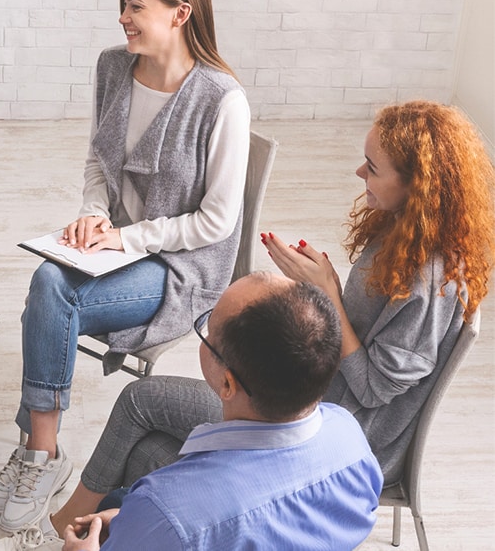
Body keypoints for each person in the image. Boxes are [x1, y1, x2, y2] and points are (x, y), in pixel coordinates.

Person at [32, 99, 495, 549]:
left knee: (141, 411)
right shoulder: (403, 232)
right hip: (316, 397)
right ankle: (91, 529)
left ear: (419, 185)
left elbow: (375, 389)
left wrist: (328, 297)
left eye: (372, 168)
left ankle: (65, 529)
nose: (360, 173)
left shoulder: (428, 281)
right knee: (146, 450)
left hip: (338, 431)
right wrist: (322, 286)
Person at [0, 0, 251, 538]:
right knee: (50, 277)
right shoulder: (111, 67)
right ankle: (41, 457)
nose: (122, 18)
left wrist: (125, 238)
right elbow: (98, 161)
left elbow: (218, 222)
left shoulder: (222, 99)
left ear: (181, 12)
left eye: (135, 6)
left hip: (181, 266)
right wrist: (92, 217)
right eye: (122, 5)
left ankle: (39, 456)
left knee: (55, 291)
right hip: (117, 244)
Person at [48, 274, 381, 551]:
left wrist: (138, 526)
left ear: (227, 383)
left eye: (207, 331)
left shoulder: (165, 511)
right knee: (146, 454)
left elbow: (172, 521)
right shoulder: (351, 439)